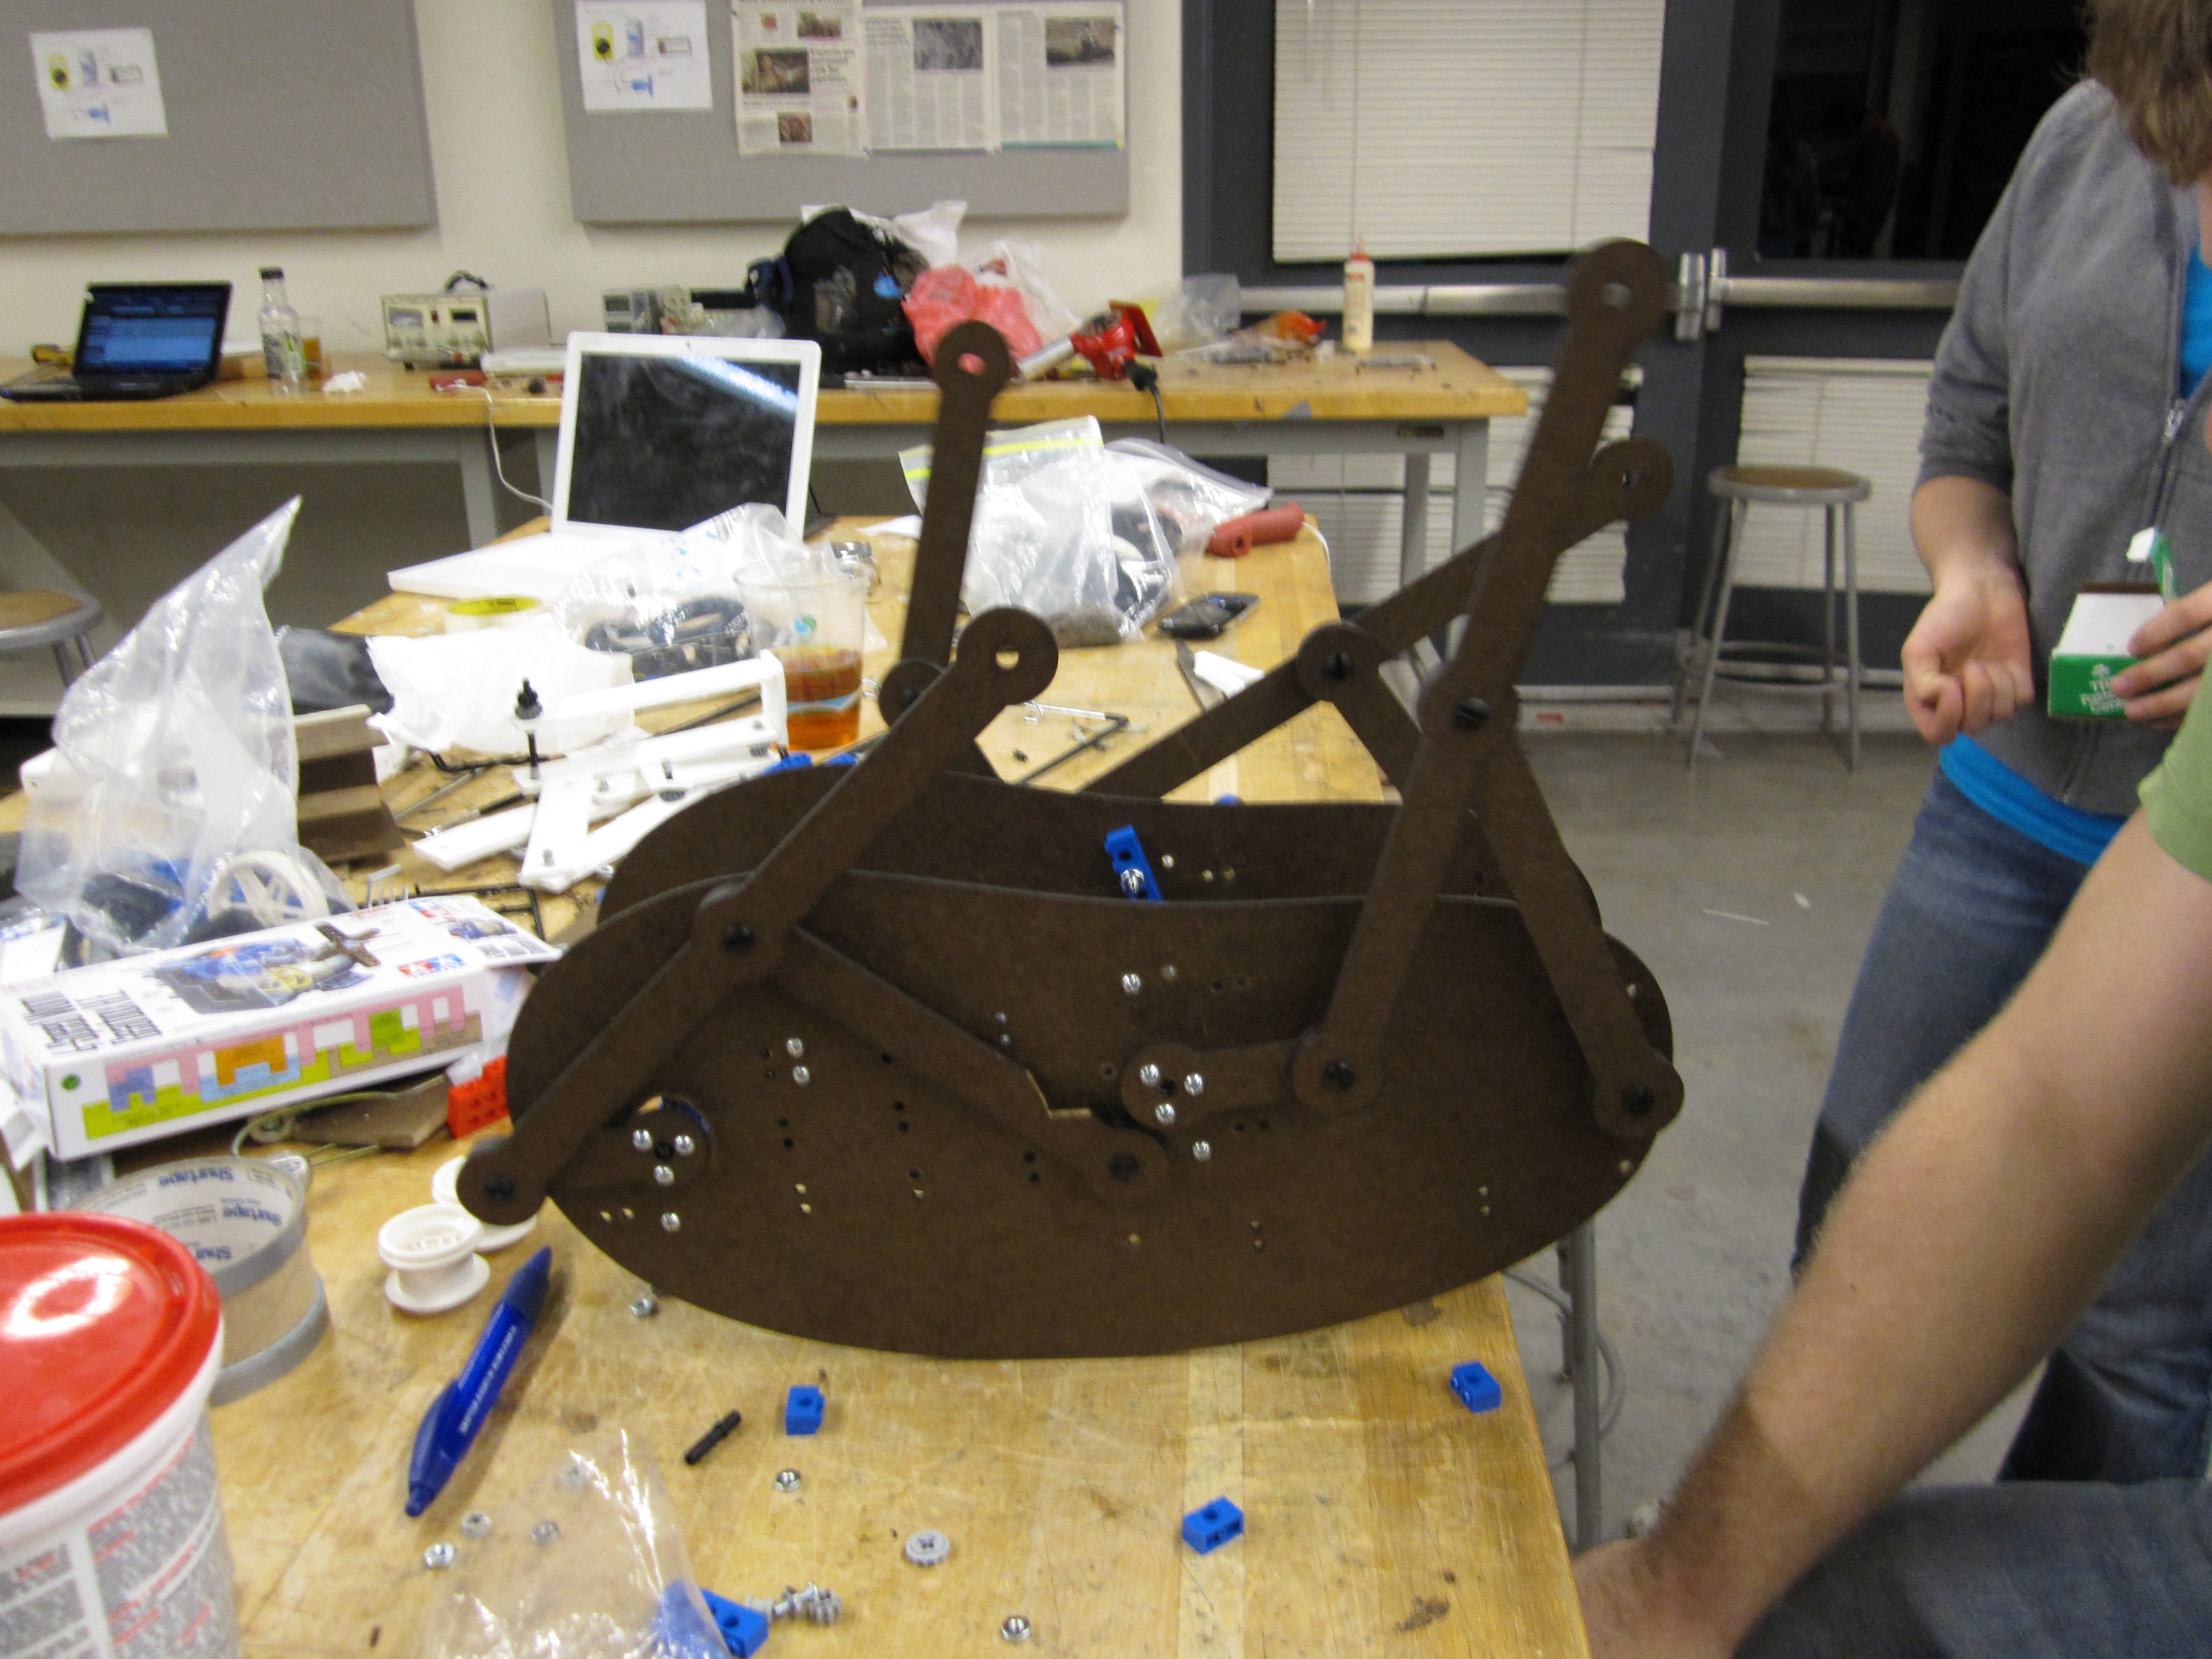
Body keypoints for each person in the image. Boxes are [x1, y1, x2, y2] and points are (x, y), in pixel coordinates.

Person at [1794, 0, 2212, 1484]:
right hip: (2006, 804)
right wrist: (1972, 569)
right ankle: (1806, 1558)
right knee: (1859, 1193)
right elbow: (1966, 427)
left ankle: (2051, 1583)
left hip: (2198, 865)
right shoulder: (2086, 140)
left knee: (2142, 1331)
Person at [1573, 688, 2212, 1652]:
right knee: (1799, 1611)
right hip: (2022, 777)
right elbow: (2052, 1124)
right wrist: (1672, 1594)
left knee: (2135, 1354)